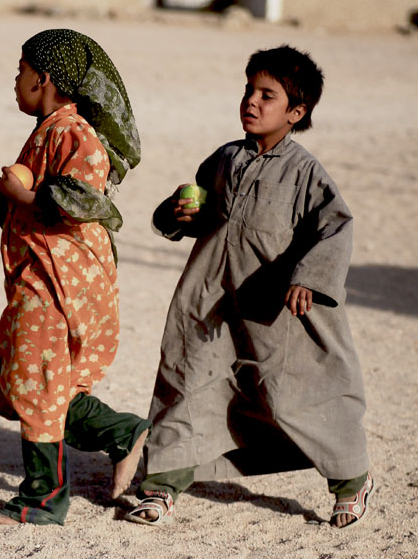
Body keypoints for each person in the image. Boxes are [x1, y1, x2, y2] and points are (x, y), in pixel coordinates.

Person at [128, 45, 373, 529]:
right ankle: (162, 485)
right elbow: (195, 212)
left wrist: (309, 277)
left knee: (295, 394)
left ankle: (351, 480)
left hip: (275, 309)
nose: (252, 102)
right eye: (248, 90)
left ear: (296, 113)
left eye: (268, 95)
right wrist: (179, 213)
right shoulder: (224, 159)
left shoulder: (305, 172)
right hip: (210, 301)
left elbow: (335, 227)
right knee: (188, 381)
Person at [0, 29, 150, 526]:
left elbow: (84, 199)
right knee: (38, 380)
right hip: (42, 272)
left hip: (60, 280)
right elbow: (44, 188)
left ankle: (44, 499)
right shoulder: (48, 129)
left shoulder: (74, 133)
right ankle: (123, 434)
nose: (15, 80)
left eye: (21, 69)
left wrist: (26, 199)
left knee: (34, 381)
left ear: (44, 77)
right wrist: (6, 206)